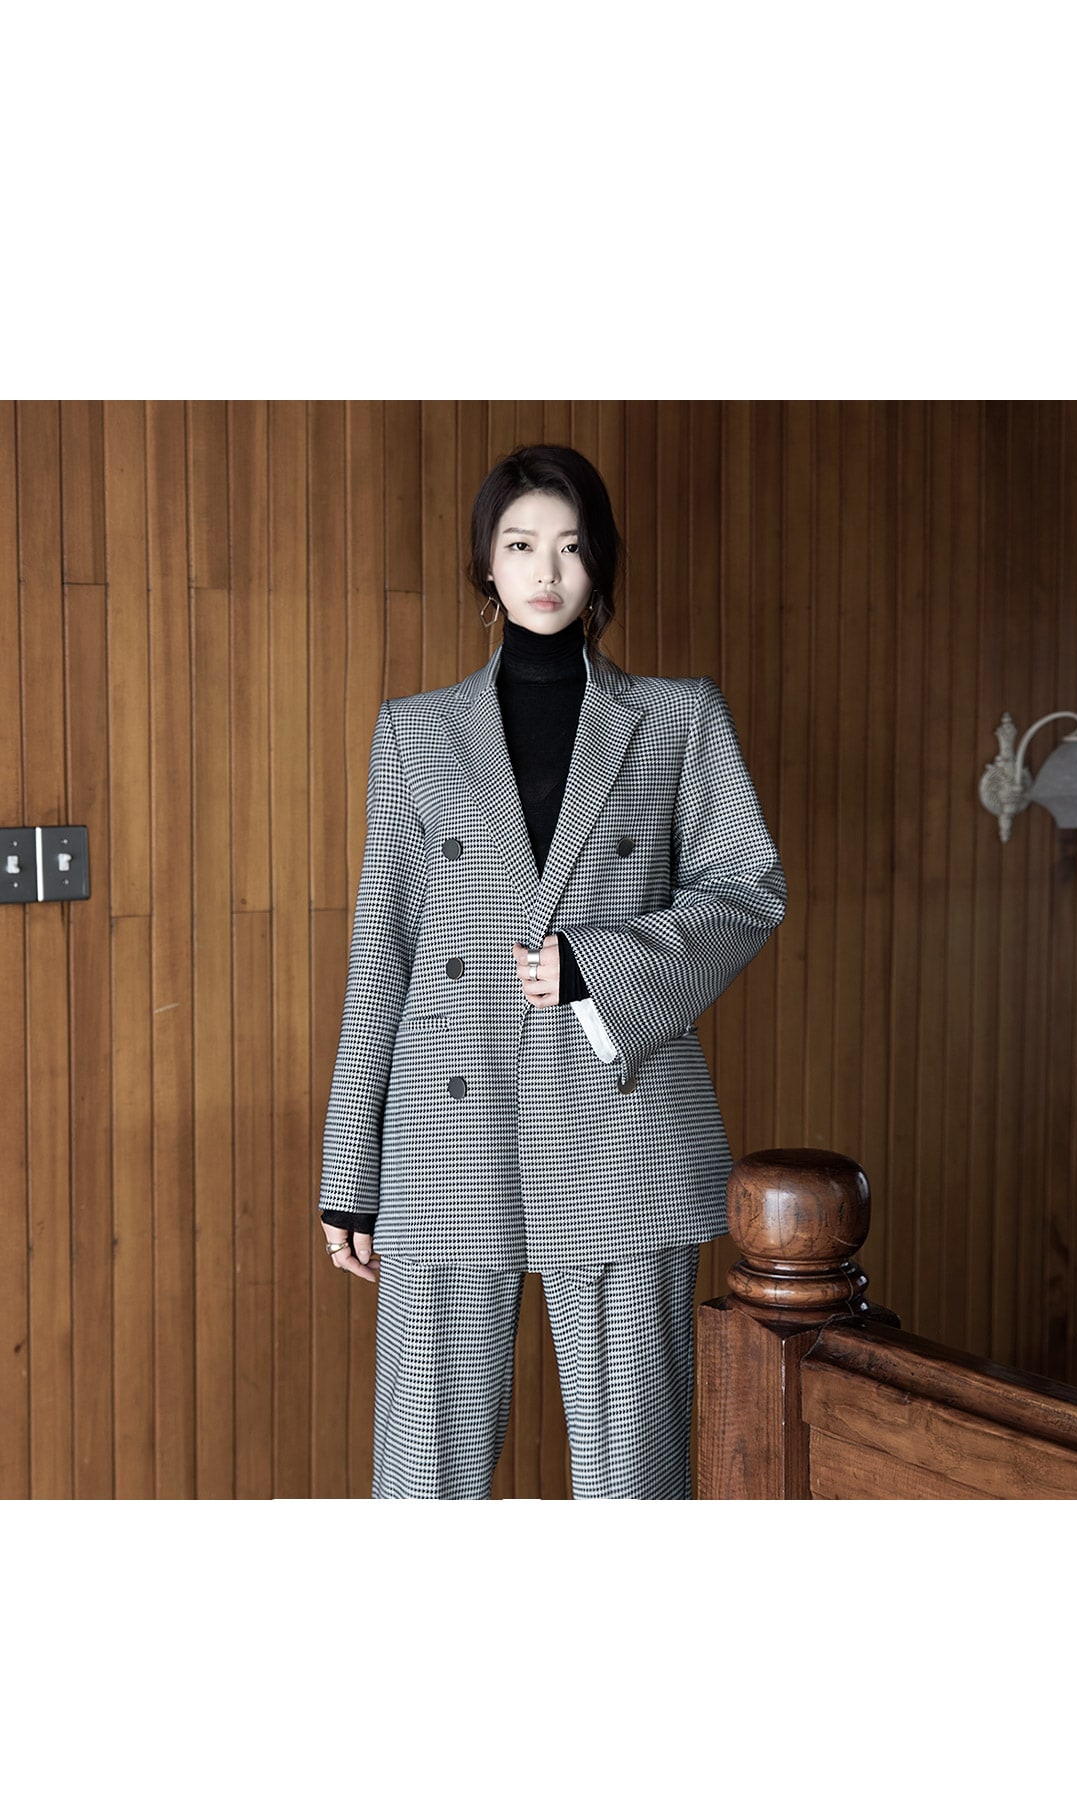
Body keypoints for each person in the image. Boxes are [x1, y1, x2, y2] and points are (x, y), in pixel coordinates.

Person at [317, 443, 786, 1499]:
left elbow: (747, 890)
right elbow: (382, 950)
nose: (546, 570)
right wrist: (349, 1171)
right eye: (521, 544)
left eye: (570, 548)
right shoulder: (414, 734)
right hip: (445, 1133)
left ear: (599, 563)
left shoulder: (678, 718)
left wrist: (595, 967)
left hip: (618, 1123)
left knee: (633, 1480)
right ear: (486, 563)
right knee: (426, 1481)